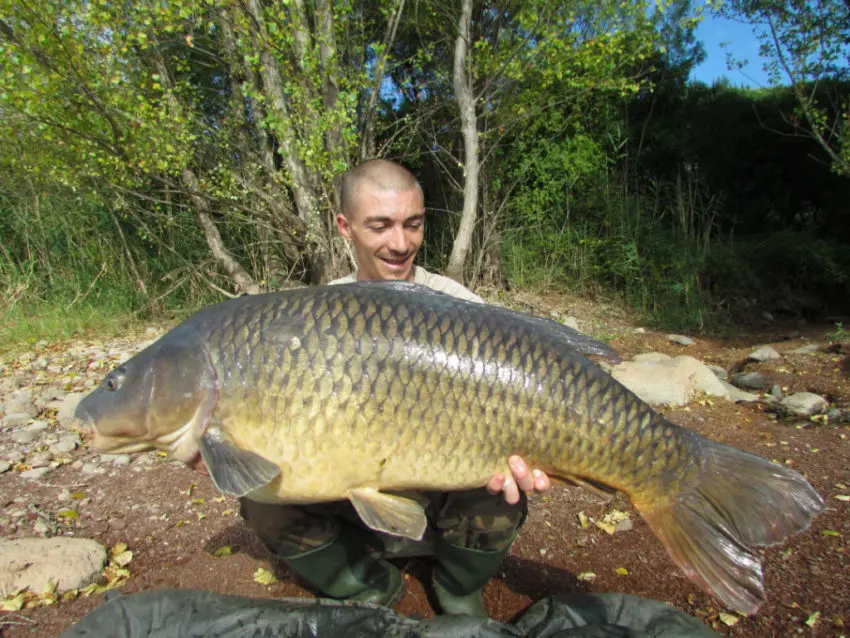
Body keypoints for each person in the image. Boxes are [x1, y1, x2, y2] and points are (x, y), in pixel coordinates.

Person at [239, 159, 551, 617]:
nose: (400, 243)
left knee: (505, 484)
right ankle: (368, 587)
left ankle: (459, 585)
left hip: (447, 507)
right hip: (354, 510)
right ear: (345, 227)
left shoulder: (463, 308)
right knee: (259, 494)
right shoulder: (314, 317)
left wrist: (533, 453)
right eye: (380, 226)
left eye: (413, 224)